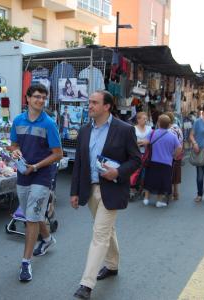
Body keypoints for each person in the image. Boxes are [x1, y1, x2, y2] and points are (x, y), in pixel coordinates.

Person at [70, 90, 141, 299]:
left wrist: (117, 172)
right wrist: (74, 191)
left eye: (94, 102)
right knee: (107, 230)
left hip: (112, 189)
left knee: (99, 234)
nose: (89, 106)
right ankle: (112, 265)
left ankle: (86, 284)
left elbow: (136, 159)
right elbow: (79, 163)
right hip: (89, 189)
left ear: (107, 106)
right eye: (89, 102)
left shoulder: (125, 130)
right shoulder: (84, 130)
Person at [8, 84, 63, 282]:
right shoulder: (18, 120)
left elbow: (58, 154)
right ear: (28, 98)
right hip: (23, 173)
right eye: (37, 97)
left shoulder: (48, 124)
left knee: (31, 218)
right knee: (34, 213)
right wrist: (15, 151)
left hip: (41, 175)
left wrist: (37, 166)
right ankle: (48, 239)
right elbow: (13, 144)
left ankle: (25, 262)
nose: (40, 100)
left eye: (43, 97)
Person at [143, 115, 182, 207]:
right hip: (166, 163)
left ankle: (146, 198)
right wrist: (174, 156)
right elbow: (179, 148)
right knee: (162, 182)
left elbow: (146, 143)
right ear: (169, 125)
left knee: (150, 179)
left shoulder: (152, 133)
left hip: (153, 161)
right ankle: (159, 201)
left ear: (158, 123)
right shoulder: (172, 136)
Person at [165, 112, 184, 200]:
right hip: (179, 153)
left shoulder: (170, 130)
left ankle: (171, 193)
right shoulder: (177, 128)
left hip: (172, 154)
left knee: (170, 174)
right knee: (176, 174)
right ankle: (176, 193)